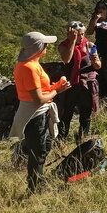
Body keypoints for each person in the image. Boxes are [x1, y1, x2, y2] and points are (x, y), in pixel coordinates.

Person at [10, 31, 71, 191]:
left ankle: (37, 179)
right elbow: (37, 99)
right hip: (35, 113)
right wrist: (58, 91)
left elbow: (41, 91)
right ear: (38, 48)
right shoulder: (29, 68)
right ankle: (35, 187)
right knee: (38, 151)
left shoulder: (31, 64)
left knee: (43, 146)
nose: (47, 47)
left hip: (37, 111)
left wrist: (56, 86)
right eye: (45, 44)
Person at [57, 21, 102, 141]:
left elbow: (98, 66)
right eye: (78, 34)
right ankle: (61, 139)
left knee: (86, 113)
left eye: (82, 34)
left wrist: (95, 61)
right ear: (70, 33)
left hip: (86, 84)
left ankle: (83, 138)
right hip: (70, 84)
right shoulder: (63, 45)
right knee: (66, 113)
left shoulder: (90, 45)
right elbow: (66, 59)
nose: (81, 37)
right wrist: (72, 41)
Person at [86, 0, 107, 98]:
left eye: (103, 8)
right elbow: (89, 32)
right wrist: (94, 20)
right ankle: (101, 95)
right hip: (99, 46)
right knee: (97, 71)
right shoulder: (96, 18)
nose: (101, 10)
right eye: (98, 8)